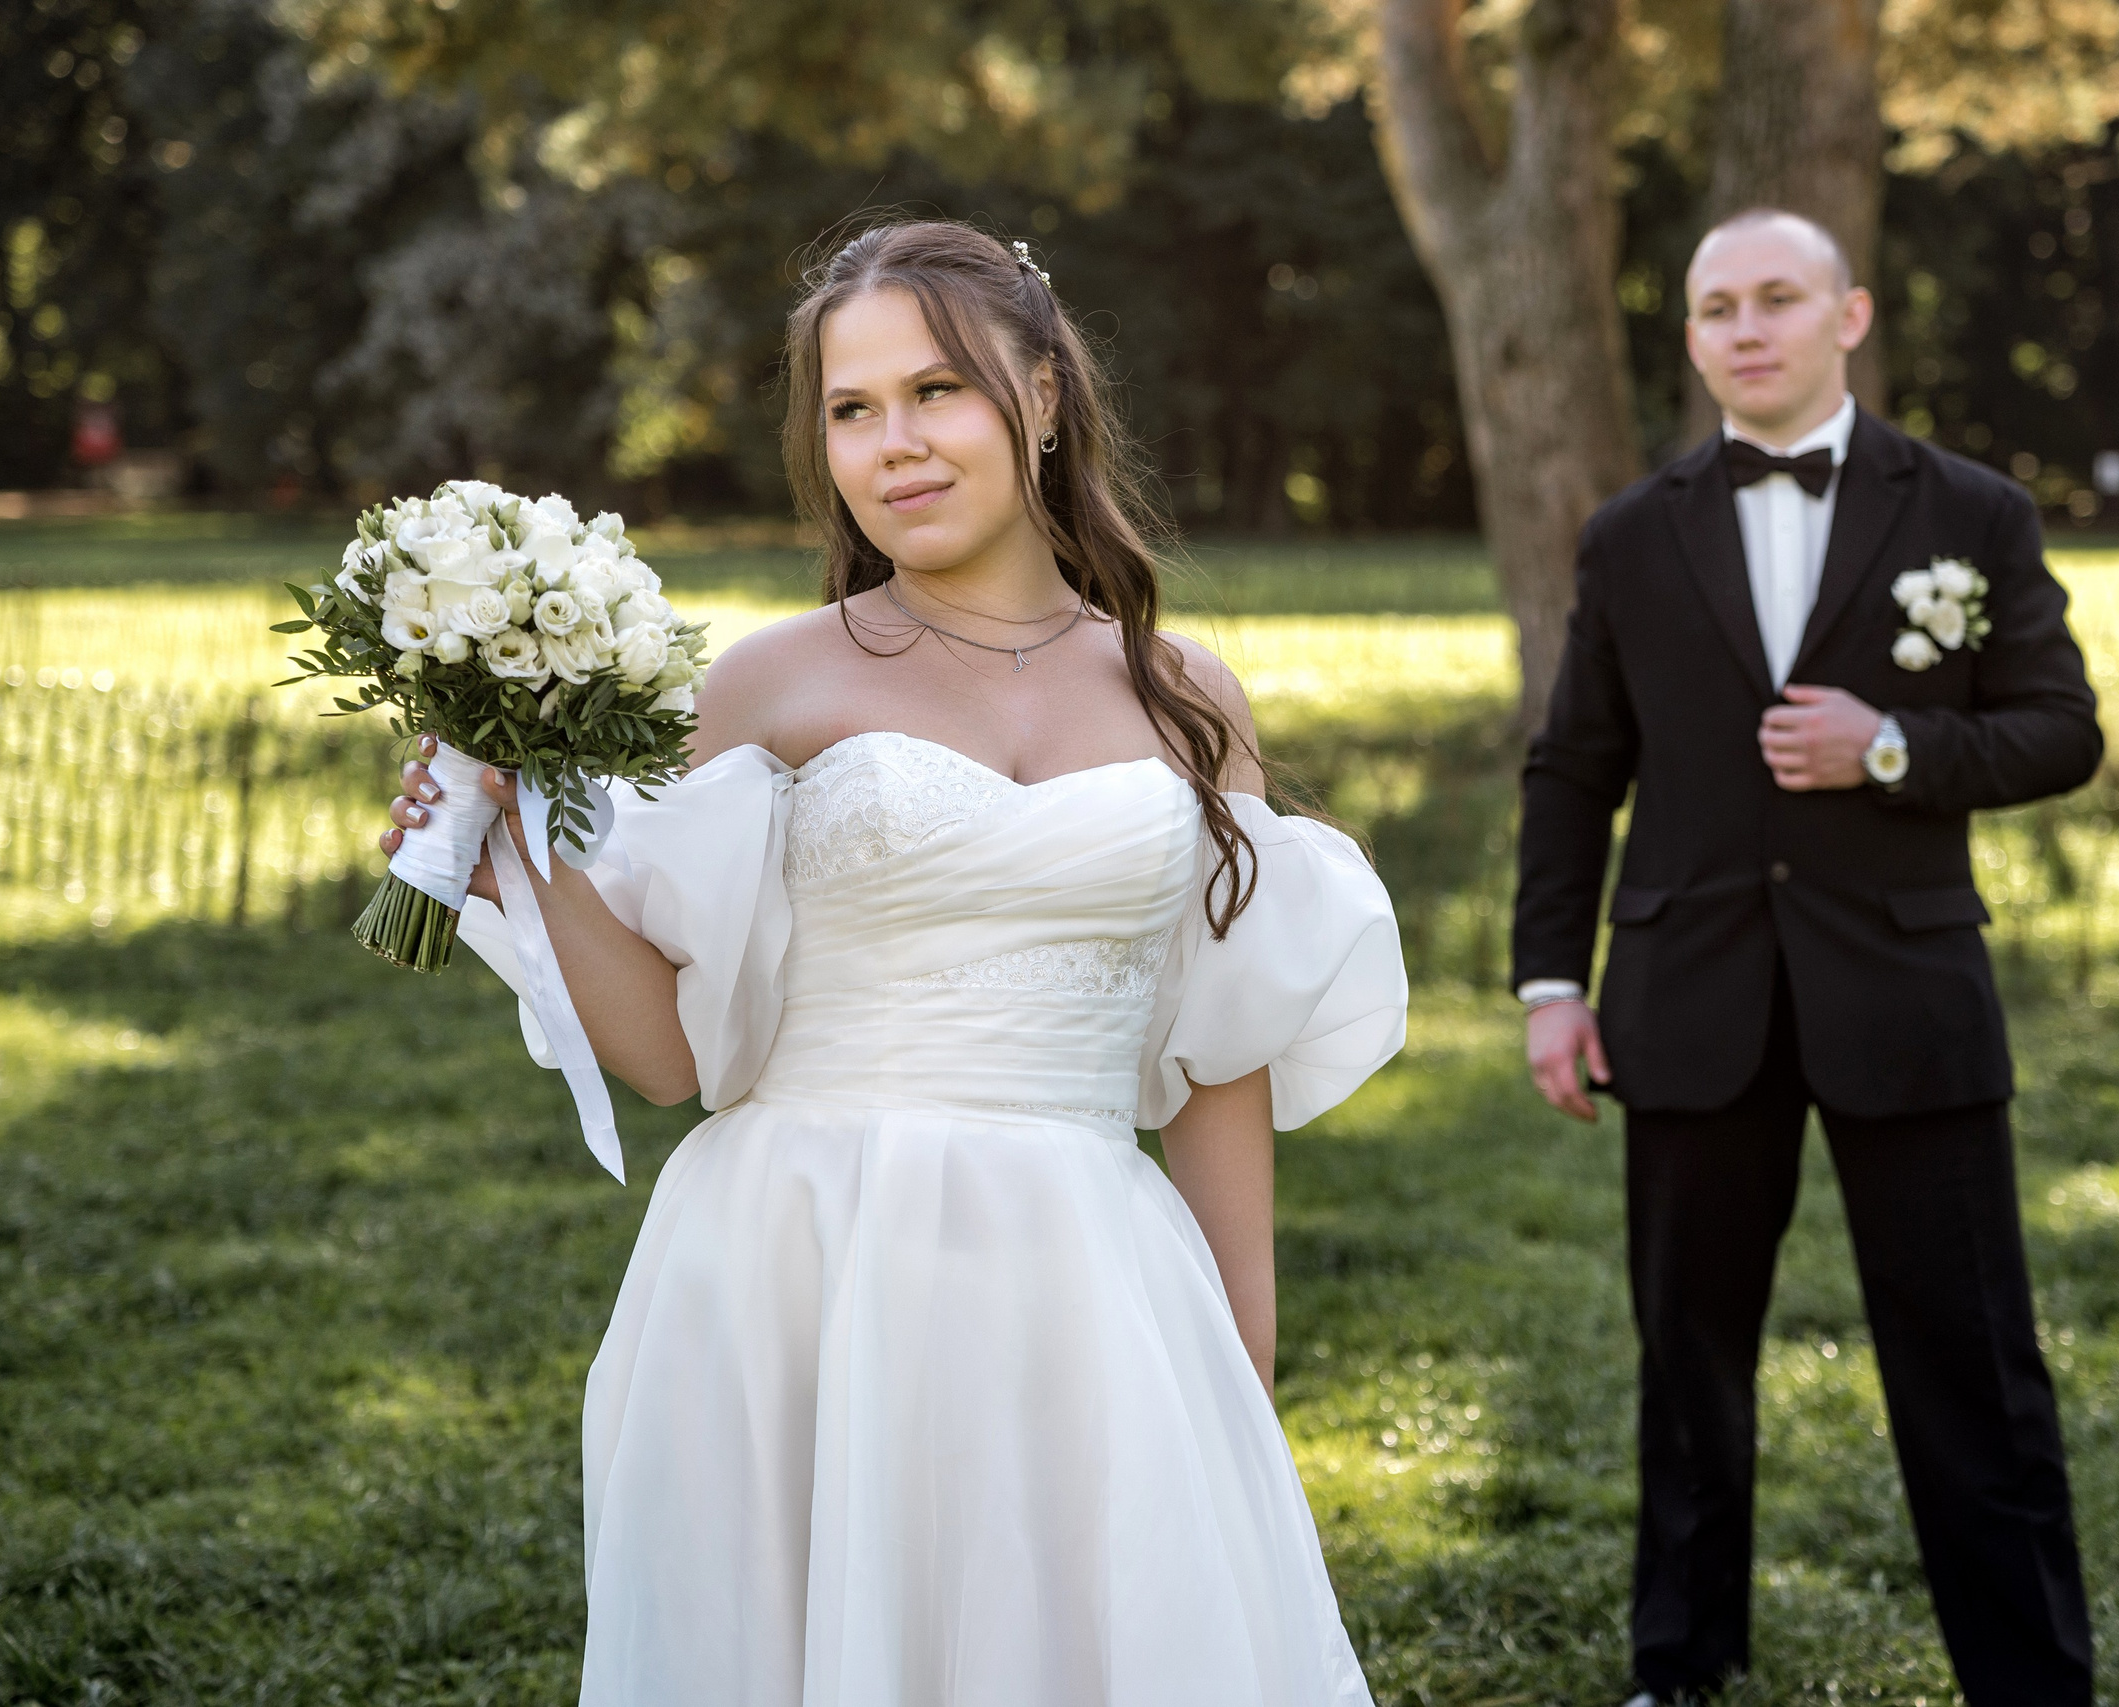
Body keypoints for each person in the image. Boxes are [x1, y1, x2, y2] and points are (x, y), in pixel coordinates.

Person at [377, 220, 1403, 1704]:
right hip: (800, 1259)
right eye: (850, 411)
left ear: (1042, 398)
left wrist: (1232, 1366)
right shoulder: (768, 683)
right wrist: (513, 844)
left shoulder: (1189, 702)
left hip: (1081, 1273)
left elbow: (1215, 1059)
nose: (894, 445)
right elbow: (672, 1057)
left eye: (937, 393)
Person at [1510, 208, 2100, 1706]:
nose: (1746, 328)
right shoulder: (1633, 533)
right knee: (1688, 1367)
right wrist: (1552, 984)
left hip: (1906, 997)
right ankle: (1678, 1670)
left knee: (1974, 1371)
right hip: (1688, 998)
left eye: (1779, 298)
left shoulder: (1969, 510)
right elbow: (1575, 770)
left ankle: (2030, 1682)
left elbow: (2061, 729)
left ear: (1850, 316)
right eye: (1717, 308)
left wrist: (1893, 744)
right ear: (1693, 336)